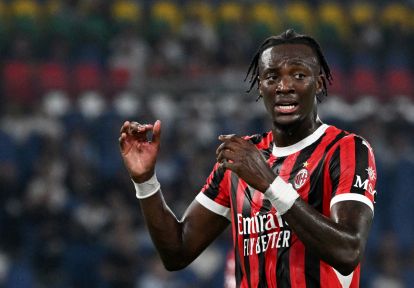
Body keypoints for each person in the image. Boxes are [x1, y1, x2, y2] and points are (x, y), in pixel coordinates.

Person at [119, 29, 377, 288]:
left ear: (318, 83)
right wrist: (145, 181)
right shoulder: (240, 158)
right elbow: (177, 252)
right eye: (271, 77)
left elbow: (348, 252)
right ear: (260, 86)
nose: (284, 86)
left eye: (298, 75)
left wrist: (269, 183)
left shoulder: (346, 149)